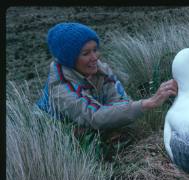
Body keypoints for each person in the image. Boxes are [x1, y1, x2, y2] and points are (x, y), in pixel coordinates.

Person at [36, 22, 177, 140]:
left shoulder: (101, 70)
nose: (95, 57)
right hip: (51, 135)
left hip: (88, 126)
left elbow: (121, 101)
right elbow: (95, 116)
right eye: (86, 53)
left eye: (95, 50)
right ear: (69, 59)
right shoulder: (60, 86)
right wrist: (149, 103)